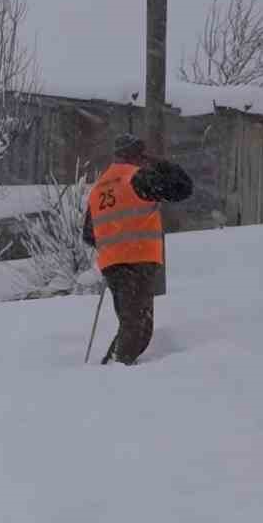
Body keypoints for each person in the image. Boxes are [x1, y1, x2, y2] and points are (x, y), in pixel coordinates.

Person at [82, 133, 194, 365]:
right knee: (137, 327)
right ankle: (110, 371)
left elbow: (89, 234)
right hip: (139, 260)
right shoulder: (139, 178)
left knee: (134, 325)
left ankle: (113, 366)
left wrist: (115, 241)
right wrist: (161, 164)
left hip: (113, 265)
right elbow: (183, 188)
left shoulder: (99, 188)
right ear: (138, 155)